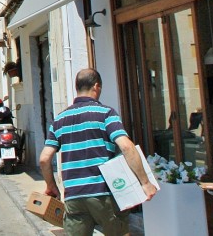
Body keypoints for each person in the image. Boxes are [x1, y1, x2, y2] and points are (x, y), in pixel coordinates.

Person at [39, 68, 157, 236]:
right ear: (96, 86)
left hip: (74, 196)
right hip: (104, 193)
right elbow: (126, 147)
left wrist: (51, 186)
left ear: (77, 87)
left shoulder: (59, 120)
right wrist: (145, 183)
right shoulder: (106, 114)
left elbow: (44, 159)